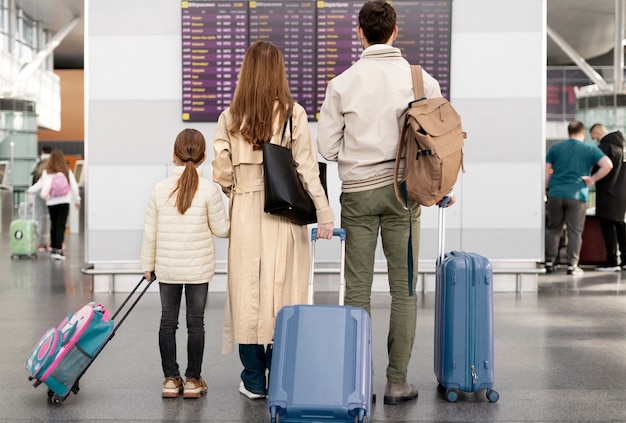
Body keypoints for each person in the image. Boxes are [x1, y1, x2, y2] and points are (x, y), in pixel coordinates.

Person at [317, 0, 455, 405]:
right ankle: (397, 383)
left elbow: (326, 147)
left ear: (359, 33)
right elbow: (441, 140)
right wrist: (440, 185)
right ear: (395, 32)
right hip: (404, 193)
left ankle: (356, 383)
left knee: (357, 290)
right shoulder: (420, 80)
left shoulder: (342, 82)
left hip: (358, 193)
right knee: (404, 290)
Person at [212, 40, 334, 400]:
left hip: (247, 211)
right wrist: (324, 213)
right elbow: (308, 171)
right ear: (279, 70)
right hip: (284, 213)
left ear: (245, 72)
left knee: (247, 291)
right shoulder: (293, 113)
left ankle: (253, 380)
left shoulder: (230, 116)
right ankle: (281, 373)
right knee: (285, 292)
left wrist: (239, 188)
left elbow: (221, 172)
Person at [141, 128, 230, 399]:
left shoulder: (159, 189)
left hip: (167, 267)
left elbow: (150, 231)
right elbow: (222, 229)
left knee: (168, 323)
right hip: (197, 269)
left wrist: (148, 264)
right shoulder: (209, 190)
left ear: (174, 156)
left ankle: (170, 380)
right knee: (196, 324)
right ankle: (192, 381)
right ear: (203, 157)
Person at [545, 121, 613, 275]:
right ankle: (572, 265)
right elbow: (607, 164)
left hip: (556, 193)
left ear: (568, 132)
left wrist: (547, 188)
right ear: (583, 133)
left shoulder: (555, 148)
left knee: (553, 229)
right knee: (574, 231)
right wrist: (593, 179)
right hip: (577, 195)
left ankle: (549, 262)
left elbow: (546, 170)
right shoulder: (589, 149)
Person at [26, 149, 80, 260]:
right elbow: (74, 187)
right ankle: (58, 250)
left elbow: (39, 185)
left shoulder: (47, 172)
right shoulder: (67, 171)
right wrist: (77, 200)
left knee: (54, 224)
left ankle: (53, 249)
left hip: (51, 202)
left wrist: (29, 190)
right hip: (64, 202)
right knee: (61, 225)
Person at [589, 123, 626, 271]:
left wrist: (592, 177)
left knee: (608, 226)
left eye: (594, 137)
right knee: (621, 225)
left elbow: (598, 167)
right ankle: (624, 259)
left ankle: (612, 260)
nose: (595, 140)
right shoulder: (622, 146)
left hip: (608, 192)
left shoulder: (606, 147)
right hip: (622, 193)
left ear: (598, 132)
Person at [30, 145, 52, 251]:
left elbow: (35, 177)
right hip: (51, 194)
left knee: (39, 217)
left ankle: (41, 243)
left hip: (39, 192)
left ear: (42, 152)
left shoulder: (39, 163)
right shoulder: (53, 163)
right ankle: (53, 243)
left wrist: (31, 190)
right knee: (53, 218)